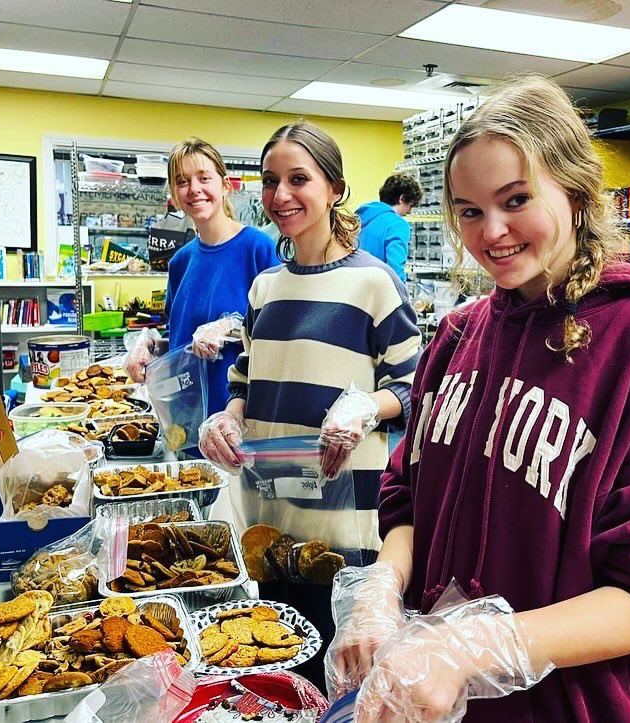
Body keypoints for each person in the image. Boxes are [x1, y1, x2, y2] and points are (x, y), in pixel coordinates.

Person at [325, 76, 630, 722]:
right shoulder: (458, 335)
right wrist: (383, 584)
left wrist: (476, 644)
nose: (491, 231)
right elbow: (407, 494)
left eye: (515, 199)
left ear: (575, 190)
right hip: (451, 704)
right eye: (469, 210)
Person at [198, 121, 422, 690]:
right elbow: (245, 378)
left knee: (344, 682)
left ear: (336, 189)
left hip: (346, 525)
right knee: (280, 672)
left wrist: (367, 407)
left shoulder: (375, 284)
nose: (281, 196)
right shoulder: (266, 287)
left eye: (300, 179)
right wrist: (228, 416)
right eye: (271, 181)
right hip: (272, 520)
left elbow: (416, 387)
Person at [127, 137, 279, 419]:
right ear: (174, 193)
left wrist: (231, 326)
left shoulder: (258, 249)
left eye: (203, 178)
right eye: (182, 181)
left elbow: (281, 330)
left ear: (224, 185)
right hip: (187, 419)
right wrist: (150, 346)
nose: (194, 189)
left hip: (239, 419)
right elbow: (181, 341)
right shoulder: (181, 262)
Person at [355, 173, 423, 281]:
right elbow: (395, 269)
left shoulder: (358, 218)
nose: (410, 211)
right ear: (402, 198)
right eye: (410, 205)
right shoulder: (397, 224)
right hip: (378, 289)